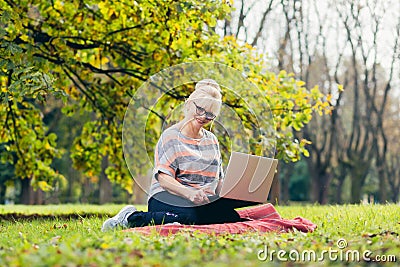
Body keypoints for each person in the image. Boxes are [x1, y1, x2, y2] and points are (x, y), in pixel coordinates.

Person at [102, 79, 259, 232]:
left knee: (230, 217)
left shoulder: (212, 141)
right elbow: (164, 178)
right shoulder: (171, 136)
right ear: (188, 105)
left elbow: (218, 182)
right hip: (167, 197)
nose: (204, 117)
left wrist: (239, 192)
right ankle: (131, 217)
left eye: (210, 114)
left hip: (202, 203)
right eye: (200, 109)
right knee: (190, 216)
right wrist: (190, 193)